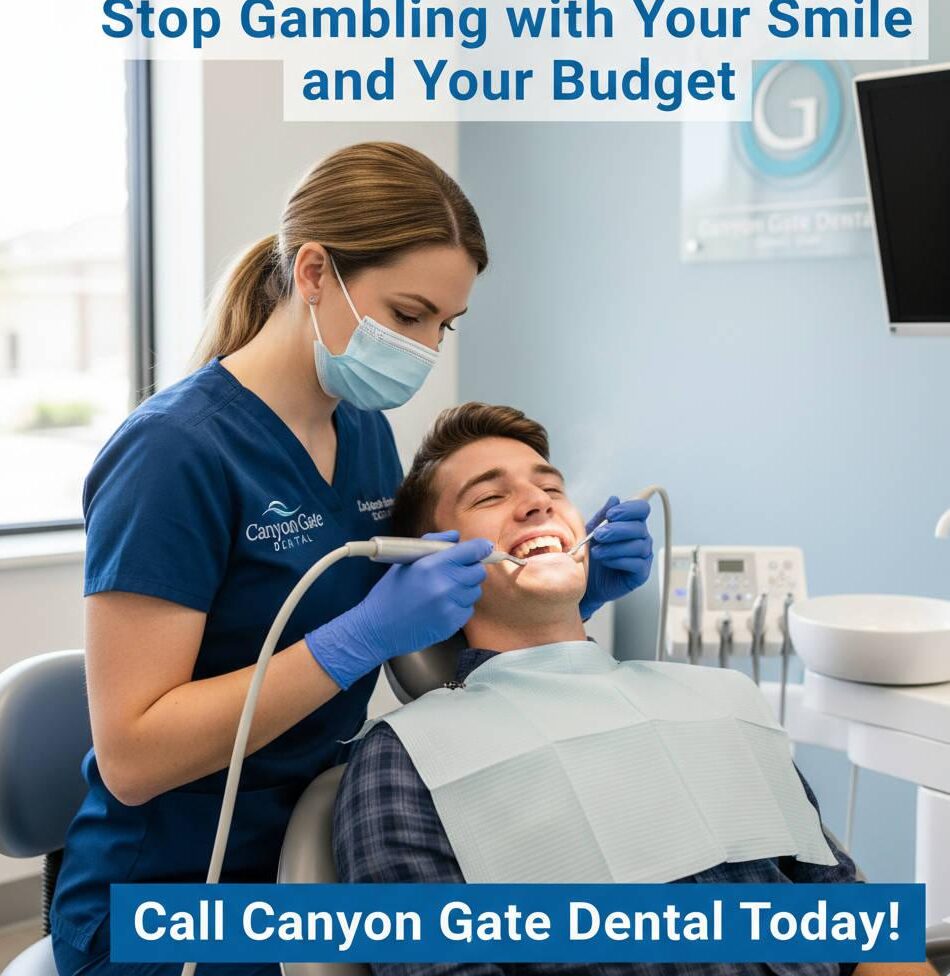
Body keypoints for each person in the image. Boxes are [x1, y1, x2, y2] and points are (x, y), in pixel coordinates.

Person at [50, 144, 654, 976]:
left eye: (444, 325)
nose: (426, 348)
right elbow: (132, 759)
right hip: (170, 889)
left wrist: (571, 603)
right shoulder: (171, 455)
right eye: (408, 315)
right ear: (313, 273)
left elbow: (417, 655)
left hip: (322, 843)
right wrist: (355, 638)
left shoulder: (361, 431)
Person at [333, 402, 937, 976]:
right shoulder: (410, 759)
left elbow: (857, 928)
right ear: (432, 563)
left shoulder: (721, 701)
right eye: (490, 496)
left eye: (551, 489)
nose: (537, 504)